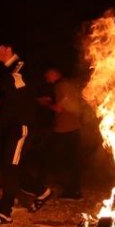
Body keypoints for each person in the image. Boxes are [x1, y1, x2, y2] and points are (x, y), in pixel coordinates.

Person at [0, 43, 51, 222]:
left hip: (21, 126)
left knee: (10, 167)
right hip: (9, 125)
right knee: (11, 165)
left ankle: (5, 212)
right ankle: (42, 191)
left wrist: (1, 70)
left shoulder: (20, 66)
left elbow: (17, 88)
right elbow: (9, 97)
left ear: (8, 49)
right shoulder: (4, 71)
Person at [38, 67, 85, 199]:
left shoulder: (61, 86)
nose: (46, 78)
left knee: (49, 156)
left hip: (64, 129)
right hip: (74, 126)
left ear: (54, 73)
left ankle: (41, 188)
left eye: (47, 75)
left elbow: (59, 108)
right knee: (72, 159)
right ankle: (74, 190)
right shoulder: (68, 84)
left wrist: (45, 103)